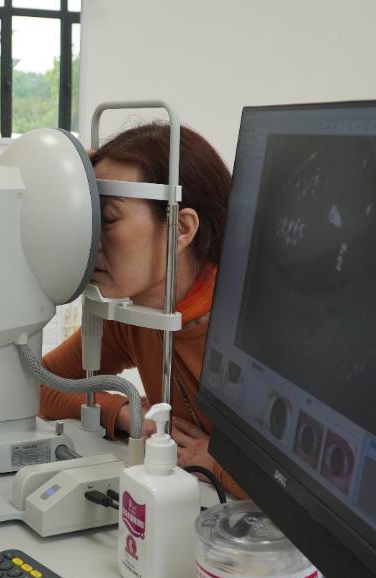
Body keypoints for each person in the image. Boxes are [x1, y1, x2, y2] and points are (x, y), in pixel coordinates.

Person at [39, 123, 246, 498]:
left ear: (181, 228)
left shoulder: (250, 324)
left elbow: (313, 484)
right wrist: (123, 412)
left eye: (107, 219)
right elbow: (38, 385)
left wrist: (217, 463)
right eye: (89, 219)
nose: (90, 239)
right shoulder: (135, 315)